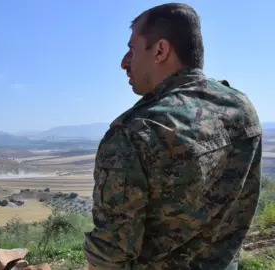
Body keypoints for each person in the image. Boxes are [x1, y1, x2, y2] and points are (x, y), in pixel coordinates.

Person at [83, 3, 262, 270]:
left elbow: (109, 256)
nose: (124, 62)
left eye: (132, 49)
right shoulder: (240, 107)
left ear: (160, 50)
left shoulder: (134, 131)